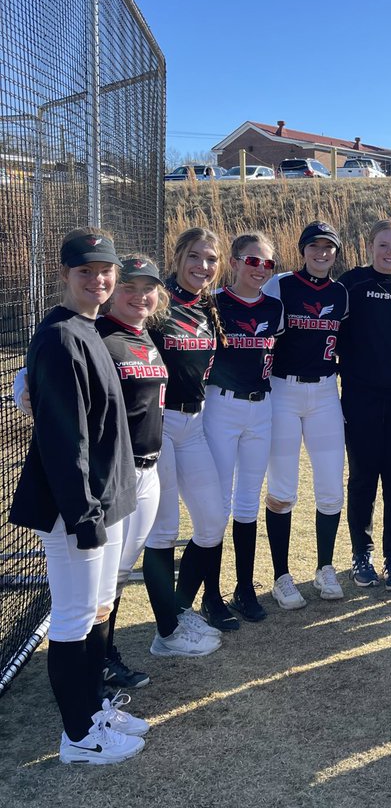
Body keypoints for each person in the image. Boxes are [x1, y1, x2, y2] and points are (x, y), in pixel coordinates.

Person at [9, 229, 145, 764]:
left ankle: (94, 709)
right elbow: (66, 441)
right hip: (76, 510)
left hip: (101, 501)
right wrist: (85, 515)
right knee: (72, 618)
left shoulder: (85, 328)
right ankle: (79, 737)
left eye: (105, 269)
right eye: (85, 271)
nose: (98, 279)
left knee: (95, 610)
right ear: (65, 275)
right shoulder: (62, 335)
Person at [142, 228, 235, 635]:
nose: (203, 266)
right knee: (163, 530)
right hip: (158, 425)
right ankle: (168, 631)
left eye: (212, 259)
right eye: (195, 256)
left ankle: (180, 609)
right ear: (178, 256)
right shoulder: (157, 303)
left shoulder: (206, 308)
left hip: (194, 425)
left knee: (213, 521)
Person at [261, 221, 349, 606]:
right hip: (283, 390)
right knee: (282, 489)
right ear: (302, 250)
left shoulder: (341, 293)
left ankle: (325, 567)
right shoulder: (280, 284)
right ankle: (282, 575)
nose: (321, 253)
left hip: (326, 392)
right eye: (314, 246)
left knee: (331, 487)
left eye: (328, 248)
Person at [338, 219, 391, 592]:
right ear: (369, 246)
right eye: (383, 245)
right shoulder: (351, 284)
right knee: (362, 479)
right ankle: (362, 556)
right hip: (361, 399)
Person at [204, 233, 284, 621]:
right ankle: (211, 594)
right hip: (222, 406)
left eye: (267, 264)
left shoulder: (274, 307)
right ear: (233, 262)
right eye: (252, 261)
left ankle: (244, 587)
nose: (259, 269)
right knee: (218, 503)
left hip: (262, 407)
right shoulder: (213, 303)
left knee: (248, 500)